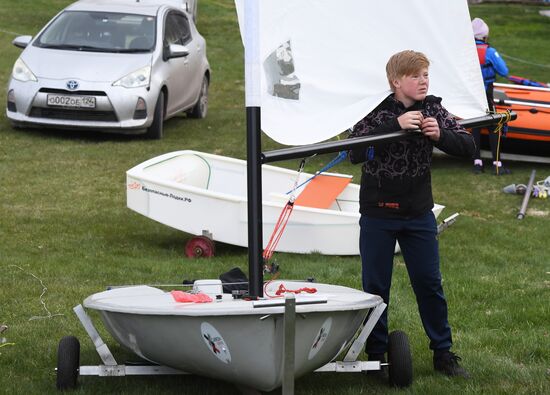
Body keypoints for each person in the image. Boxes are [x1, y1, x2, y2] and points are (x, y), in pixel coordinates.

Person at [348, 50, 473, 378]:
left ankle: (443, 354)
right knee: (376, 287)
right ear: (396, 81)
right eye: (416, 76)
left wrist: (440, 136)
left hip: (418, 212)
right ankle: (376, 356)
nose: (423, 81)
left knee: (429, 283)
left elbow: (469, 147)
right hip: (378, 212)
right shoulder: (377, 110)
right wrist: (395, 125)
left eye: (426, 75)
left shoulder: (432, 108)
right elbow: (354, 152)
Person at [471, 17, 511, 175]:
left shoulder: (465, 51)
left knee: (475, 126)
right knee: (494, 125)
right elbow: (504, 72)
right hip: (486, 94)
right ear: (484, 36)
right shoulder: (489, 52)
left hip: (472, 94)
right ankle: (497, 164)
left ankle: (477, 163)